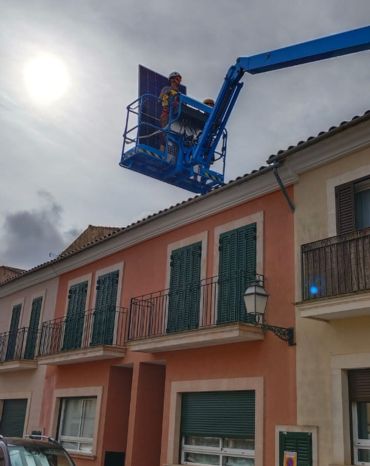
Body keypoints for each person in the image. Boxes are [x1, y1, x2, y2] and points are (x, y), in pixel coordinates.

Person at [159, 71, 182, 151]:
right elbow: (160, 100)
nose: (179, 80)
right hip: (166, 114)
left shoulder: (180, 94)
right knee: (165, 134)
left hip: (175, 116)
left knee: (176, 136)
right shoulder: (166, 89)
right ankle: (162, 152)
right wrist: (168, 93)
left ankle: (173, 153)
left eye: (179, 79)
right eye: (177, 78)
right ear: (172, 80)